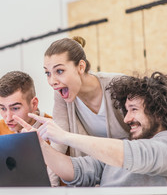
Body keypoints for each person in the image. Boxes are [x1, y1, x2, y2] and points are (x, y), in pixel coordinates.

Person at [14, 72, 167, 195]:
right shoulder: (123, 146)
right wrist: (40, 147)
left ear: (158, 112)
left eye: (134, 109)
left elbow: (135, 156)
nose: (126, 119)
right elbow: (77, 171)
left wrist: (66, 136)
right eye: (126, 110)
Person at [43, 36, 130, 186]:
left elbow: (144, 138)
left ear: (81, 67)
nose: (52, 81)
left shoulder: (119, 85)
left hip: (129, 173)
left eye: (59, 71)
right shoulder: (61, 95)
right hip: (95, 177)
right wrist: (51, 189)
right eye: (48, 73)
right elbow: (59, 142)